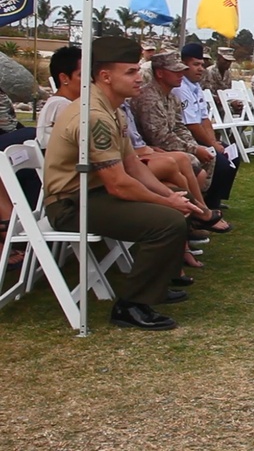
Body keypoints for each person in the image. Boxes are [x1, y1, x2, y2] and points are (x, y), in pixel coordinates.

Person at [43, 37, 198, 331]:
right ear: (105, 76)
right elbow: (119, 185)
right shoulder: (95, 115)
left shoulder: (111, 108)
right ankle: (131, 306)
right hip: (70, 204)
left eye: (137, 70)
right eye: (130, 72)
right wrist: (169, 204)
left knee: (176, 201)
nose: (139, 77)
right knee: (167, 222)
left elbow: (133, 167)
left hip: (91, 194)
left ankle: (154, 287)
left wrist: (171, 194)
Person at [131, 51, 233, 214]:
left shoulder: (171, 97)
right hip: (154, 149)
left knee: (207, 156)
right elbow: (159, 137)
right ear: (160, 73)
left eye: (181, 70)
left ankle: (201, 205)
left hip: (169, 145)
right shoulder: (149, 98)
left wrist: (195, 146)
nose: (181, 74)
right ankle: (195, 212)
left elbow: (179, 127)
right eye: (176, 71)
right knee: (192, 161)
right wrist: (194, 149)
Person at [174, 42, 240, 208]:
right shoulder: (181, 88)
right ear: (184, 65)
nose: (201, 68)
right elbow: (192, 125)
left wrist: (214, 142)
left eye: (202, 64)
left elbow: (204, 118)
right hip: (187, 137)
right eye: (195, 64)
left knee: (233, 156)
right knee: (222, 162)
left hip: (200, 135)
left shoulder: (195, 86)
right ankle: (209, 203)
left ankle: (215, 198)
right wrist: (212, 145)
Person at [37, 45, 82, 150]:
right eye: (81, 75)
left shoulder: (61, 103)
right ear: (64, 78)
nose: (89, 79)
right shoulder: (61, 105)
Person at [202, 46, 241, 113]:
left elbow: (228, 91)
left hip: (225, 102)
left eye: (230, 61)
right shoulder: (209, 72)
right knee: (227, 111)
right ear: (219, 58)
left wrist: (233, 101)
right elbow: (207, 93)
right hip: (211, 103)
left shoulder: (227, 73)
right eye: (225, 61)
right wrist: (228, 102)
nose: (228, 63)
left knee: (243, 108)